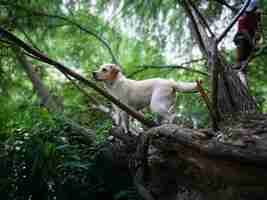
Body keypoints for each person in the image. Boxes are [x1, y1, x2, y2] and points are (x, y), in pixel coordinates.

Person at [233, 0, 262, 86]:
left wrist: (258, 36)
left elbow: (259, 26)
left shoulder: (257, 15)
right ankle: (238, 61)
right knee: (241, 40)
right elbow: (244, 32)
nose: (249, 13)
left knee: (247, 55)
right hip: (242, 38)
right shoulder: (242, 18)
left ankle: (244, 63)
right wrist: (252, 44)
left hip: (252, 38)